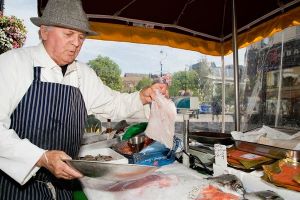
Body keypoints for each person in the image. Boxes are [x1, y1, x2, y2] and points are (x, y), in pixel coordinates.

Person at [0, 0, 168, 199]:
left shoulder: (83, 74)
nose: (77, 43)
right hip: (18, 189)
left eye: (81, 37)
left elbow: (113, 104)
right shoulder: (12, 63)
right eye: (68, 34)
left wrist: (142, 96)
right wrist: (41, 158)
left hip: (64, 187)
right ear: (44, 32)